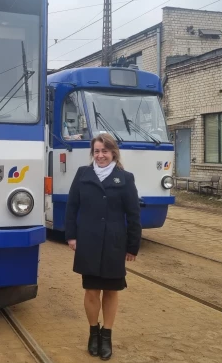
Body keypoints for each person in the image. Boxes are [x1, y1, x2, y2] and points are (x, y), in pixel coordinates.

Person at [64, 132, 142, 360]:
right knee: (91, 290)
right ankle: (93, 333)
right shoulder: (82, 174)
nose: (100, 155)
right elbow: (72, 207)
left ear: (113, 153)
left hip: (114, 244)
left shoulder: (125, 178)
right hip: (88, 241)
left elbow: (133, 215)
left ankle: (106, 335)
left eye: (105, 151)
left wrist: (132, 246)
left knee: (111, 290)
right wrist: (71, 236)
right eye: (97, 151)